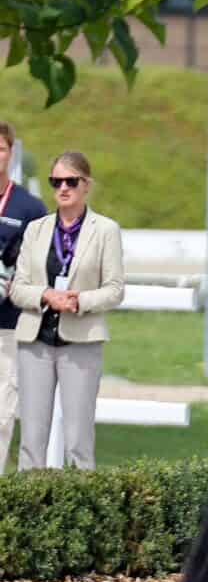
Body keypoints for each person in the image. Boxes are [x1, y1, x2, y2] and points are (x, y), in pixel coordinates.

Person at [10, 151, 123, 469]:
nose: (63, 188)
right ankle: (29, 513)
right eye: (55, 181)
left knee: (78, 441)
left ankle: (80, 515)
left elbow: (115, 289)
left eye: (70, 181)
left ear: (86, 185)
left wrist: (80, 301)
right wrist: (45, 294)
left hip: (81, 340)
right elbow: (17, 288)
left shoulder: (105, 230)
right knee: (32, 439)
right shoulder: (36, 229)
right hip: (36, 339)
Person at [0, 121, 47, 466]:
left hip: (8, 328)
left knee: (2, 414)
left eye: (1, 149)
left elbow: (39, 264)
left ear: (11, 152)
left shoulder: (29, 208)